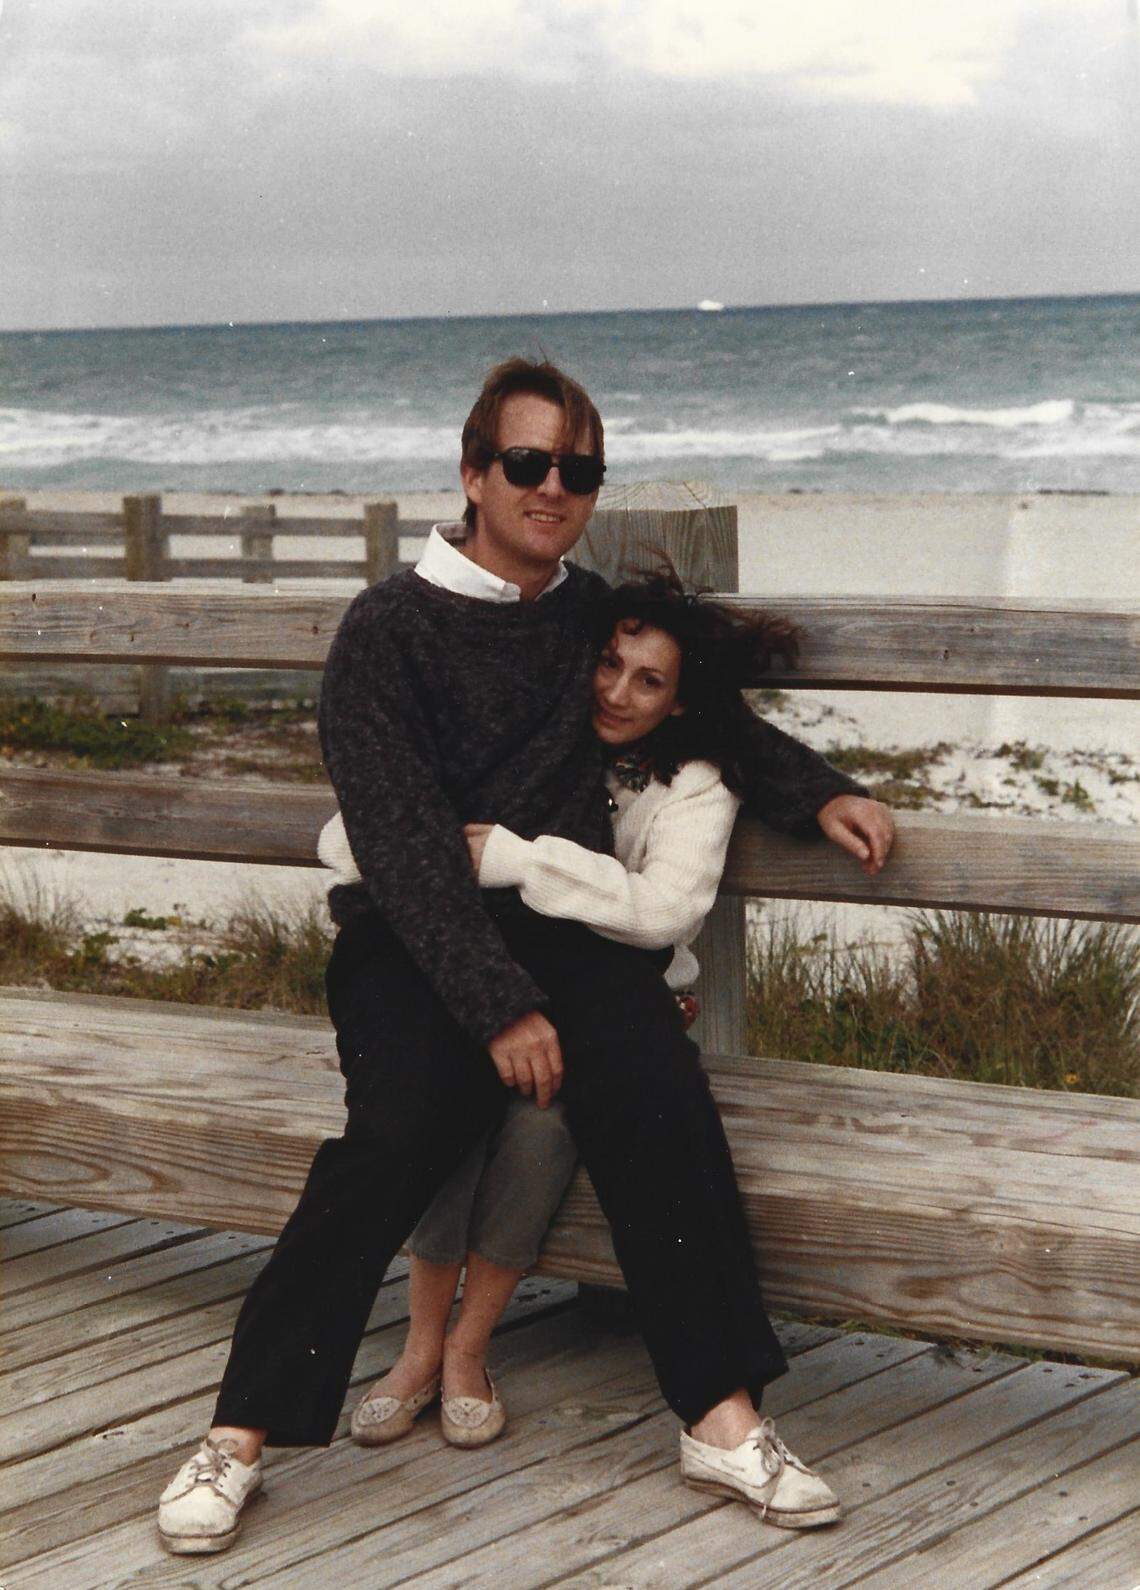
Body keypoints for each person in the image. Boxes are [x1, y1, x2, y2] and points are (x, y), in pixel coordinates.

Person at [157, 358, 892, 1556]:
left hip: (563, 943)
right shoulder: (387, 630)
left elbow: (702, 706)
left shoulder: (582, 614)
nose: (555, 488)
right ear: (472, 472)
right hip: (413, 936)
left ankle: (721, 1415)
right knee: (399, 1129)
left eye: (580, 470)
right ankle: (239, 1432)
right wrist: (497, 1006)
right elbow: (398, 845)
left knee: (660, 1096)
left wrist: (822, 793)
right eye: (529, 463)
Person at [320, 568, 892, 1454]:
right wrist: (433, 855)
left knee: (548, 1123)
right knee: (443, 1103)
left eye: (649, 680)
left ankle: (473, 1352)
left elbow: (664, 907)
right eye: (609, 664)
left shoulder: (695, 773)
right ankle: (421, 1346)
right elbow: (352, 834)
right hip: (490, 978)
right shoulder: (538, 731)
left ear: (679, 698)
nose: (617, 692)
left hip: (610, 992)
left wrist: (517, 858)